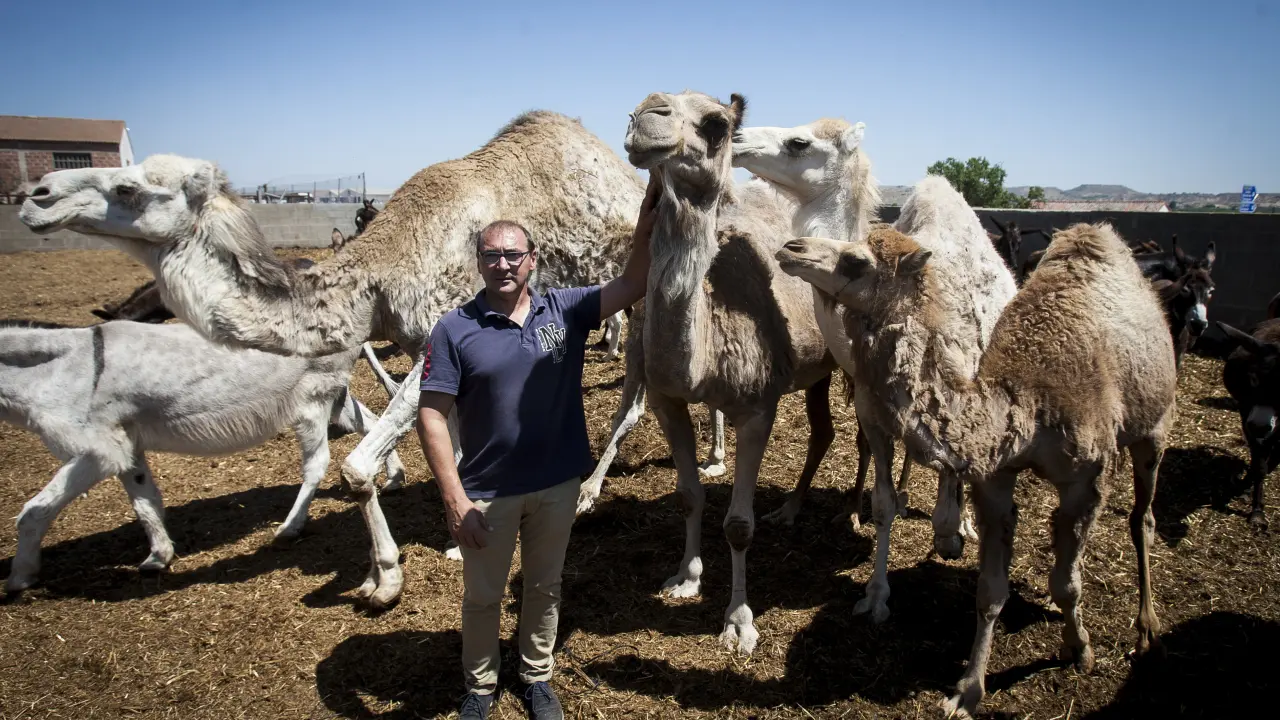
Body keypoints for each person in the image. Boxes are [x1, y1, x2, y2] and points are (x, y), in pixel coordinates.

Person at [416, 176, 660, 720]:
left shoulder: (565, 310)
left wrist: (646, 222)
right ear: (479, 262)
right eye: (491, 255)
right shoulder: (455, 330)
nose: (502, 264)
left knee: (545, 586)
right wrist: (454, 499)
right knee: (483, 596)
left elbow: (634, 282)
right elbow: (430, 415)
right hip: (488, 491)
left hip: (557, 482)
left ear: (533, 259)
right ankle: (480, 686)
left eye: (513, 255)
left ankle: (536, 676)